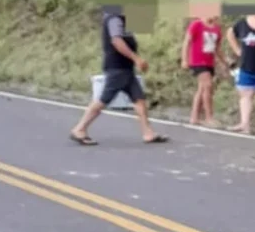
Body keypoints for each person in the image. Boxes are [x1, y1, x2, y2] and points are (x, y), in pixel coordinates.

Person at [69, 8, 169, 145]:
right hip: (117, 68)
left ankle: (148, 133)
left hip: (125, 68)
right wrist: (136, 59)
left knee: (139, 99)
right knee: (103, 100)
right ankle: (79, 128)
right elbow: (117, 41)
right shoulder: (114, 19)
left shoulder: (122, 21)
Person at [181, 10, 224, 127]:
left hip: (209, 62)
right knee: (208, 86)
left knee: (201, 89)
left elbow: (217, 48)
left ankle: (194, 117)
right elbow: (187, 42)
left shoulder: (216, 29)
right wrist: (184, 59)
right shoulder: (197, 24)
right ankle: (209, 117)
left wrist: (224, 62)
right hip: (197, 61)